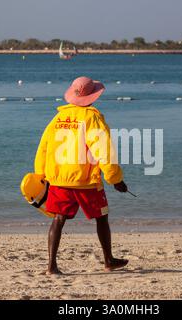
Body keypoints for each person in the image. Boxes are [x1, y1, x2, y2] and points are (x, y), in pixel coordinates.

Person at [35, 76, 129, 275]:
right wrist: (115, 178)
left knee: (58, 219)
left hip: (60, 179)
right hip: (85, 181)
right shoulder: (92, 117)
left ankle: (51, 266)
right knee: (101, 217)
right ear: (93, 97)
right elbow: (103, 150)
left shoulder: (58, 118)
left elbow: (44, 148)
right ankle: (109, 260)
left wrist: (41, 175)